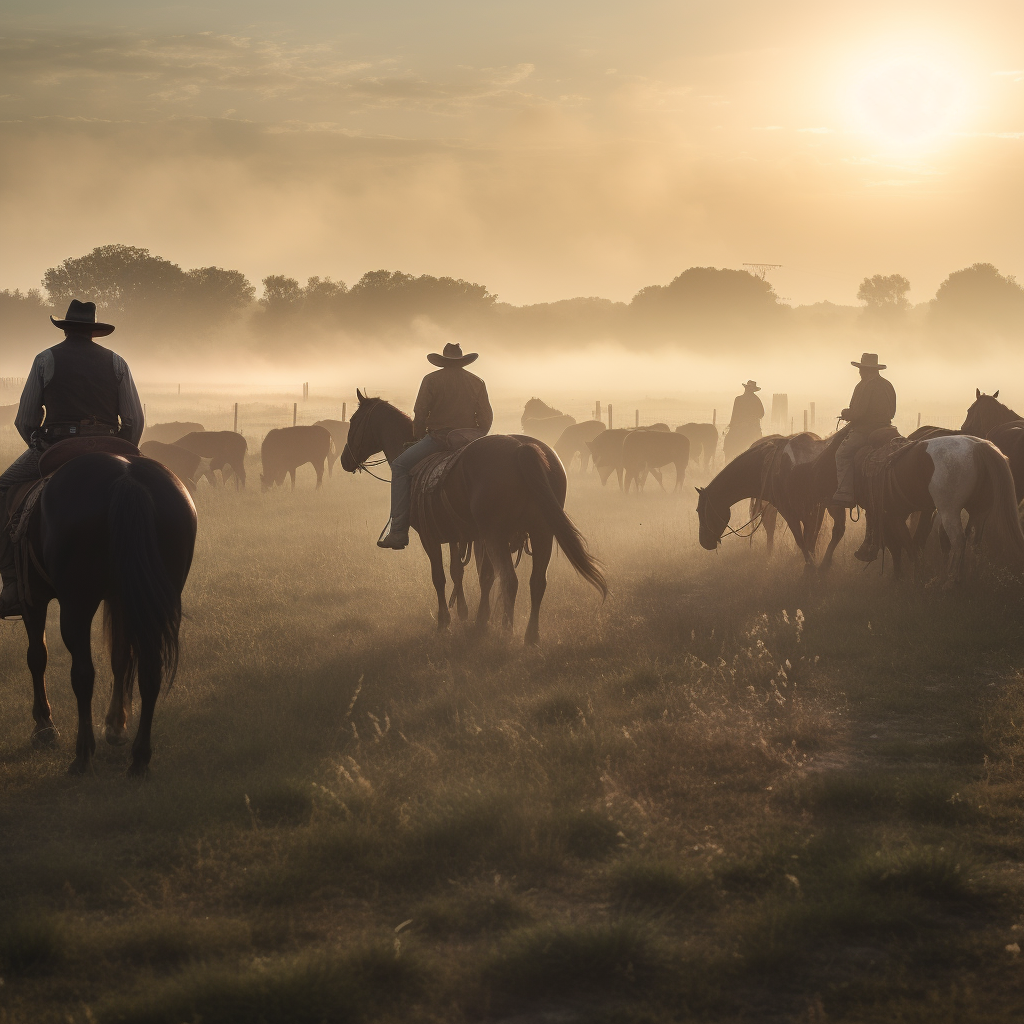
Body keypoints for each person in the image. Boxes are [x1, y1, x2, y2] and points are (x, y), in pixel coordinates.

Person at [0, 300, 144, 619]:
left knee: (2, 488)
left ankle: (11, 584)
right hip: (111, 444)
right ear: (94, 330)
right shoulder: (117, 362)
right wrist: (124, 451)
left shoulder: (45, 359)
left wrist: (42, 449)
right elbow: (134, 419)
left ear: (66, 328)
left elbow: (25, 420)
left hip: (58, 443)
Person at [377, 342, 493, 550]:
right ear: (463, 360)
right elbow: (486, 417)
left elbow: (420, 415)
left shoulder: (431, 380)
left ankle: (398, 531)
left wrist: (418, 436)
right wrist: (477, 435)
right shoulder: (477, 381)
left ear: (443, 361)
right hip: (471, 439)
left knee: (400, 467)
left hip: (440, 438)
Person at [832, 352, 897, 561]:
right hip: (887, 428)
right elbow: (893, 410)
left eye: (861, 369)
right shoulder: (887, 385)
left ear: (867, 370)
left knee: (841, 453)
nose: (859, 372)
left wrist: (846, 413)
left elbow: (858, 413)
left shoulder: (865, 386)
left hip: (866, 430)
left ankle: (844, 492)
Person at [724, 380, 764, 460]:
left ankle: (728, 454)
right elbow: (761, 414)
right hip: (750, 426)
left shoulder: (739, 399)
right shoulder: (756, 399)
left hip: (742, 426)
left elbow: (734, 414)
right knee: (758, 443)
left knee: (728, 441)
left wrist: (732, 425)